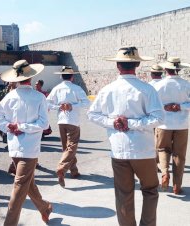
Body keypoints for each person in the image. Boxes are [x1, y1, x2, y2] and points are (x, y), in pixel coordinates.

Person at [87, 46, 164, 226]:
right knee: (150, 190)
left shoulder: (107, 90)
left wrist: (114, 122)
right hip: (143, 150)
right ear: (137, 64)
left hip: (119, 150)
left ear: (117, 66)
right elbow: (158, 118)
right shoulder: (147, 89)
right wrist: (132, 123)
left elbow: (92, 114)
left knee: (123, 194)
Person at [0, 60, 52, 225]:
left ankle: (10, 222)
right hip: (29, 148)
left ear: (16, 78)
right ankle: (44, 207)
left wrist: (10, 127)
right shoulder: (39, 97)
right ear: (31, 78)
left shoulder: (9, 97)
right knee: (24, 184)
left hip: (14, 147)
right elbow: (44, 124)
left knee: (21, 184)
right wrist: (18, 127)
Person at [46, 66, 90, 188]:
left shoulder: (56, 88)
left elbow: (47, 102)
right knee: (72, 147)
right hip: (73, 121)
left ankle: (74, 171)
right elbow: (87, 103)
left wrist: (59, 107)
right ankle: (62, 168)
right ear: (72, 76)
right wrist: (72, 106)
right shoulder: (76, 88)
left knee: (67, 148)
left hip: (61, 121)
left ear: (61, 76)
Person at [153, 57, 190, 194]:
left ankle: (164, 173)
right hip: (182, 125)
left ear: (165, 69)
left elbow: (153, 106)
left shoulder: (158, 85)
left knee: (162, 149)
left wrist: (165, 107)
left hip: (163, 124)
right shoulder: (186, 85)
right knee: (179, 156)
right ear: (179, 69)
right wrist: (179, 106)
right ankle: (177, 185)